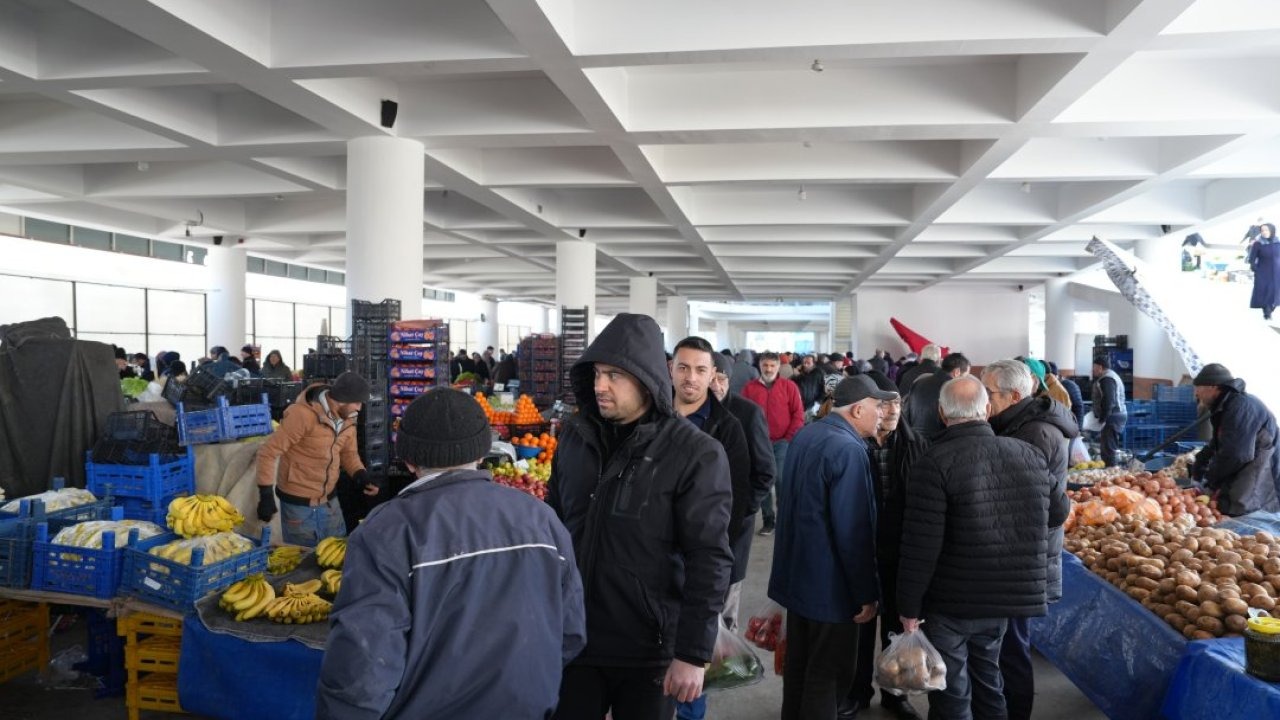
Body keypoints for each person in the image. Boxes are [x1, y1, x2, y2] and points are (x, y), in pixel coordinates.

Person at [316, 388, 586, 720]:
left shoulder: (384, 532)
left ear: (409, 460)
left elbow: (361, 668)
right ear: (484, 450)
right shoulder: (541, 519)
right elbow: (570, 632)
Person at [547, 314, 733, 720]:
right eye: (597, 373)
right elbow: (552, 530)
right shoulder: (575, 439)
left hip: (649, 649)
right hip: (574, 639)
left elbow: (710, 557)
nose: (600, 386)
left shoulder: (694, 453)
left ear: (646, 378)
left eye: (614, 374)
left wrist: (692, 653)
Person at [897, 375, 1063, 720]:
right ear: (987, 410)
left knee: (952, 690)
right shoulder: (1028, 453)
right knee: (989, 680)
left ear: (942, 413)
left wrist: (908, 607)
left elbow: (921, 544)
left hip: (951, 602)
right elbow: (1059, 511)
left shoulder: (933, 462)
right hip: (1004, 597)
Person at [769, 375, 891, 720]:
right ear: (856, 410)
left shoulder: (808, 434)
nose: (881, 414)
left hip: (800, 579)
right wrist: (866, 593)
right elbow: (853, 531)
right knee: (829, 675)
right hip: (832, 589)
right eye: (876, 407)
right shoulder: (848, 449)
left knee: (800, 668)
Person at [981, 360, 1076, 720]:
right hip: (1018, 554)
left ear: (1015, 395)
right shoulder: (1015, 424)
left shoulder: (1034, 434)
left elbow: (1041, 507)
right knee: (1005, 643)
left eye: (989, 393)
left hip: (1023, 557)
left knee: (1011, 647)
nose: (984, 400)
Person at [670, 337, 753, 720]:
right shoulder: (650, 420)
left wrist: (712, 555)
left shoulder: (728, 428)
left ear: (713, 376)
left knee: (690, 662)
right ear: (671, 369)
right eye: (683, 367)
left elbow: (736, 502)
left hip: (698, 562)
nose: (691, 378)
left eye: (700, 370)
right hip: (650, 561)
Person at [842, 371, 928, 720]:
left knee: (897, 627)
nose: (892, 409)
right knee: (859, 627)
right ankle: (856, 691)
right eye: (885, 402)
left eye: (897, 401)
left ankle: (895, 695)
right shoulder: (853, 443)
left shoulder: (916, 444)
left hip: (900, 553)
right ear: (870, 407)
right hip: (861, 549)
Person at [255, 371, 382, 546]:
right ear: (342, 399)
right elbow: (268, 452)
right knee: (304, 563)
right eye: (357, 402)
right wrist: (265, 494)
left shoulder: (349, 417)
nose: (359, 408)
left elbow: (348, 453)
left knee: (337, 555)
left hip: (330, 503)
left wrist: (360, 474)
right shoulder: (302, 415)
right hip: (299, 507)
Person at [710, 352, 775, 630]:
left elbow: (765, 471)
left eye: (720, 379)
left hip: (734, 524)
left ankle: (725, 665)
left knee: (726, 598)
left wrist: (743, 510)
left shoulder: (747, 413)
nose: (715, 385)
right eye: (709, 377)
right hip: (695, 524)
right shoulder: (685, 412)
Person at [1190, 363, 1280, 516]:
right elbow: (1221, 440)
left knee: (1246, 511)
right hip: (1250, 461)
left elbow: (1237, 454)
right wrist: (1201, 460)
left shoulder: (1240, 407)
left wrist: (1210, 479)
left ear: (1213, 387)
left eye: (1198, 387)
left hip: (1262, 466)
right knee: (1233, 506)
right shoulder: (1226, 405)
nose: (1196, 393)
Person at [742, 351, 805, 536]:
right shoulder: (749, 388)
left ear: (779, 367)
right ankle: (768, 520)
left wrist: (789, 437)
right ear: (759, 366)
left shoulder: (789, 387)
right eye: (765, 365)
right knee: (763, 482)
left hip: (782, 441)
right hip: (758, 442)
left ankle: (786, 519)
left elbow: (798, 414)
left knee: (781, 480)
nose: (768, 369)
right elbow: (743, 414)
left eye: (772, 365)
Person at [902, 353, 970, 440]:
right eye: (965, 376)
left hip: (915, 441)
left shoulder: (919, 382)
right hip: (941, 442)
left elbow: (906, 412)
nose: (965, 380)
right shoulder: (954, 389)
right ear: (957, 372)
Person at [1090, 355, 1128, 467]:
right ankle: (1111, 470)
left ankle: (1112, 473)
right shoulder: (1110, 376)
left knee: (1108, 449)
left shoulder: (1107, 379)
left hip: (1113, 416)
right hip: (1115, 415)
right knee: (1108, 447)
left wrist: (1102, 419)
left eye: (1094, 367)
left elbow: (1109, 400)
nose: (1092, 370)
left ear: (1100, 367)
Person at [1248, 222, 1280, 320]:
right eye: (1262, 230)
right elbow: (1251, 259)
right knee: (1264, 291)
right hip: (1263, 271)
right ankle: (1267, 312)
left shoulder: (1277, 242)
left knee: (1275, 291)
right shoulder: (1258, 244)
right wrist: (1255, 269)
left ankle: (1270, 308)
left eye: (1266, 230)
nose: (1264, 232)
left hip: (1277, 272)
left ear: (1272, 230)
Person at [1046, 361, 1085, 428]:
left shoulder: (1069, 386)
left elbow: (1078, 407)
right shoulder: (1050, 386)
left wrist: (1078, 429)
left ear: (1055, 376)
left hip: (1070, 426)